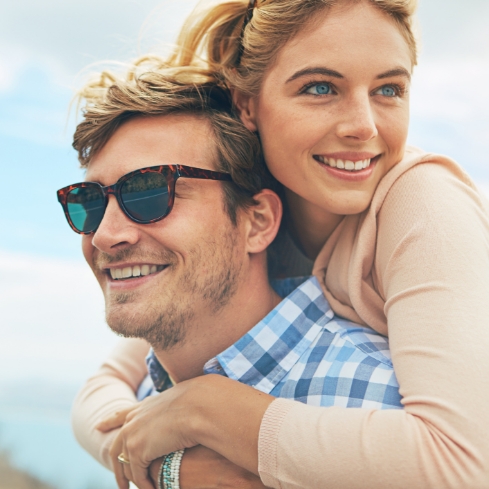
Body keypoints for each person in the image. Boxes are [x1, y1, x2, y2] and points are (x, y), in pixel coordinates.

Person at [72, 0, 489, 488]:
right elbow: (107, 384)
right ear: (247, 104)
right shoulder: (252, 201)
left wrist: (205, 408)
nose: (364, 125)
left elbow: (464, 462)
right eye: (319, 88)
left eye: (389, 89)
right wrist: (162, 463)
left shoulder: (422, 201)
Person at [61, 71, 402, 489]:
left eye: (150, 193)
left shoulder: (374, 404)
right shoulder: (150, 398)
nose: (105, 235)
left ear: (257, 222)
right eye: (89, 202)